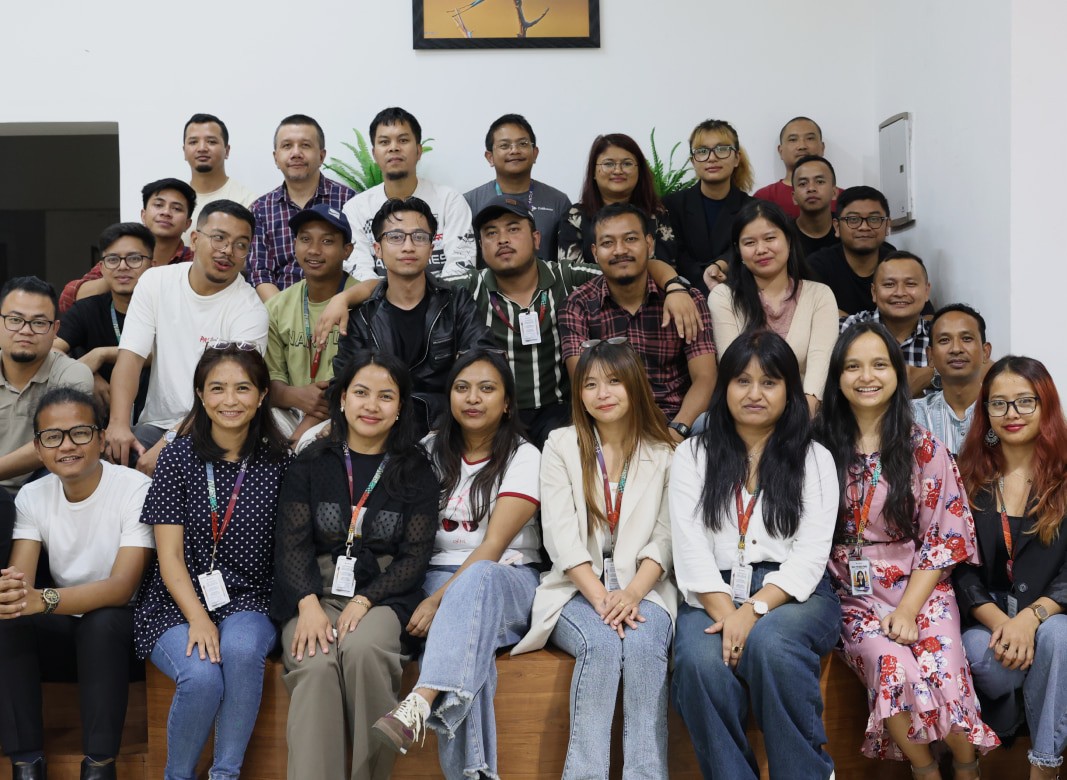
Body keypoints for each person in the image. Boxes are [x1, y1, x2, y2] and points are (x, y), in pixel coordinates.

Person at [815, 322, 998, 778]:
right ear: (837, 376)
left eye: (879, 364)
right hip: (852, 594)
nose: (866, 376)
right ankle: (925, 771)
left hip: (922, 586)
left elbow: (944, 537)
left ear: (897, 373)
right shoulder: (817, 448)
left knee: (943, 669)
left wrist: (909, 610)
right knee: (892, 666)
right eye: (853, 366)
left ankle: (965, 763)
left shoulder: (923, 447)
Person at [669, 331, 840, 780]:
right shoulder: (692, 454)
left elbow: (809, 556)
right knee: (700, 663)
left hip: (792, 593)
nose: (755, 394)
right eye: (742, 381)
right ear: (724, 388)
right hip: (712, 592)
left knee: (773, 645)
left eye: (769, 382)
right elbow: (688, 547)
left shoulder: (815, 458)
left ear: (790, 391)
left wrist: (754, 611)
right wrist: (729, 613)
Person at [372, 349, 541, 778]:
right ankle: (475, 773)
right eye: (462, 388)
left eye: (487, 389)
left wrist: (434, 604)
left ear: (506, 402)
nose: (473, 398)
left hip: (508, 578)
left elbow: (494, 545)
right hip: (434, 575)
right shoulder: (428, 450)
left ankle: (423, 698)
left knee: (477, 582)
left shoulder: (525, 456)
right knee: (471, 649)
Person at [513, 340, 677, 779]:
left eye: (614, 381)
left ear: (635, 386)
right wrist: (605, 598)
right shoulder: (561, 444)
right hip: (576, 590)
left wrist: (632, 593)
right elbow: (561, 536)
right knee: (601, 646)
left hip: (646, 590)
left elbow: (664, 537)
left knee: (644, 647)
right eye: (590, 384)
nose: (602, 392)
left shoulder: (665, 453)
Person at [271, 350, 437, 780]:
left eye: (386, 396)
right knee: (316, 662)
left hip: (384, 595)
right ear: (342, 399)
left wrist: (366, 599)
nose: (372, 405)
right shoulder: (310, 460)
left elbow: (415, 557)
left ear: (400, 407)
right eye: (361, 393)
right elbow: (291, 543)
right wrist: (306, 603)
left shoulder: (416, 469)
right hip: (314, 591)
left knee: (363, 651)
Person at [133, 343, 290, 780]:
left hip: (250, 600)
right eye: (217, 388)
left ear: (261, 396)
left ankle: (225, 774)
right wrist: (199, 618)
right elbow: (169, 558)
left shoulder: (280, 463)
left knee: (241, 649)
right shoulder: (177, 459)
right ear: (201, 396)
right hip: (175, 601)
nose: (230, 400)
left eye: (243, 388)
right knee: (201, 678)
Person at [0, 388, 154, 780]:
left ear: (102, 439)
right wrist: (13, 597)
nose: (66, 445)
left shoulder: (133, 487)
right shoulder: (33, 496)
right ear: (38, 448)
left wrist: (43, 599)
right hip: (67, 621)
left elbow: (122, 586)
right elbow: (21, 583)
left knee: (101, 624)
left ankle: (100, 766)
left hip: (125, 626)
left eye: (80, 433)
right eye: (52, 437)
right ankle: (26, 763)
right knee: (9, 621)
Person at [955, 356, 1067, 780]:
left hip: (1049, 615)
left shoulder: (1065, 474)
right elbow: (958, 567)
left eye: (1025, 402)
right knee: (980, 661)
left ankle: (1045, 767)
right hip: (988, 618)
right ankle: (1022, 704)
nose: (1012, 414)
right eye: (998, 404)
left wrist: (1032, 618)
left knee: (1058, 638)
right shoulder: (964, 475)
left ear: (1045, 406)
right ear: (985, 413)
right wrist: (1005, 622)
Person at [104, 199, 268, 475]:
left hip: (219, 426)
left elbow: (231, 393)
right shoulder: (156, 282)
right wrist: (118, 424)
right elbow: (130, 359)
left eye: (241, 244)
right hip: (156, 425)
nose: (228, 250)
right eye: (219, 238)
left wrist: (169, 444)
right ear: (194, 238)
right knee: (110, 465)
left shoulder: (250, 310)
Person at [333, 197, 495, 437]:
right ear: (377, 249)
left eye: (419, 237)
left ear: (431, 248)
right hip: (379, 427)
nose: (408, 247)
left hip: (444, 428)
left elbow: (482, 362)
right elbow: (343, 383)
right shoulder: (362, 315)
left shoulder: (455, 302)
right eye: (395, 237)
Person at [559, 203, 716, 440]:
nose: (620, 250)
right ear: (594, 251)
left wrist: (678, 430)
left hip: (677, 422)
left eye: (630, 239)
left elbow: (705, 377)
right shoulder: (578, 304)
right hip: (610, 424)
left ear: (649, 244)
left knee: (711, 424)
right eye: (607, 243)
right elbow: (584, 381)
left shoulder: (687, 299)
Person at [707, 201, 839, 416]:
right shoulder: (723, 297)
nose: (761, 250)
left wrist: (800, 420)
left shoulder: (819, 295)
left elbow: (818, 369)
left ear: (788, 240)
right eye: (749, 242)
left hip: (807, 414)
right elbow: (735, 368)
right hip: (747, 412)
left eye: (770, 238)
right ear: (738, 250)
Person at [344, 107, 475, 280]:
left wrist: (436, 302)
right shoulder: (356, 209)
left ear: (419, 151)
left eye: (403, 140)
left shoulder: (449, 201)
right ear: (375, 154)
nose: (394, 148)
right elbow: (358, 271)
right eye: (384, 142)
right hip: (377, 304)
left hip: (444, 303)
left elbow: (462, 265)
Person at [266, 204, 358, 442]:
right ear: (294, 244)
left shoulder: (361, 301)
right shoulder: (278, 306)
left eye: (327, 241)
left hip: (341, 413)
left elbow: (344, 386)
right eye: (305, 239)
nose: (314, 250)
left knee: (312, 447)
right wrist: (295, 396)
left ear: (347, 250)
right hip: (290, 406)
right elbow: (268, 378)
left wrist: (298, 437)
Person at [0, 276, 93, 494]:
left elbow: (57, 440)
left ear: (55, 329)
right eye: (15, 320)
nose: (25, 330)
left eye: (39, 322)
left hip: (48, 491)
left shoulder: (72, 374)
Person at [248, 114, 355, 301]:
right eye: (287, 146)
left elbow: (356, 266)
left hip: (340, 310)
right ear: (276, 157)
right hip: (280, 313)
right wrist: (286, 316)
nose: (296, 153)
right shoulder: (260, 209)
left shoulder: (349, 201)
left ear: (321, 156)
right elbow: (261, 273)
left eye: (305, 145)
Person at [55, 222, 155, 420]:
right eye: (113, 259)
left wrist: (103, 354)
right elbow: (51, 352)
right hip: (101, 423)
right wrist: (88, 375)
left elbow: (170, 351)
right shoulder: (86, 309)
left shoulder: (169, 308)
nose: (123, 266)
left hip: (159, 421)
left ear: (152, 265)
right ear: (101, 267)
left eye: (134, 258)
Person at [60, 179, 198, 313]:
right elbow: (67, 300)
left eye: (176, 208)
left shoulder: (195, 261)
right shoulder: (121, 258)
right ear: (143, 215)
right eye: (158, 205)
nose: (166, 212)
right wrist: (123, 275)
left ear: (187, 223)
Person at [464, 113, 571, 264]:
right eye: (504, 145)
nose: (514, 150)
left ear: (535, 153)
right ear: (490, 157)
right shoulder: (469, 203)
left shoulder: (558, 202)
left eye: (523, 144)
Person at [664, 119, 755, 295]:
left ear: (736, 158)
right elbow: (674, 254)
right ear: (693, 161)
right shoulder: (671, 206)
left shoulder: (753, 209)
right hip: (685, 298)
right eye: (702, 151)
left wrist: (720, 265)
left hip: (740, 298)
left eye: (722, 149)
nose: (712, 158)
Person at [558, 133, 676, 266]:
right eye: (608, 164)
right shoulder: (574, 217)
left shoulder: (657, 213)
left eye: (627, 164)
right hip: (589, 287)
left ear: (639, 171)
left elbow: (666, 268)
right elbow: (570, 275)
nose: (618, 170)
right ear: (593, 172)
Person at [841, 251, 935, 396]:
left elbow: (979, 368)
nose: (899, 292)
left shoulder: (939, 335)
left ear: (926, 290)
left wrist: (933, 375)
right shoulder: (848, 329)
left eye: (910, 284)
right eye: (889, 284)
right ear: (874, 292)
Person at [805, 186, 897, 318]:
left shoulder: (899, 265)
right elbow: (813, 313)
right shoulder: (817, 266)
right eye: (853, 220)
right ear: (836, 226)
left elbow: (926, 315)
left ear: (887, 225)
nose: (864, 227)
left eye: (874, 219)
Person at [912, 304, 992, 455]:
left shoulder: (1004, 412)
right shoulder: (912, 415)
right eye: (944, 340)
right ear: (930, 355)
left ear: (986, 352)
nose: (956, 349)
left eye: (967, 339)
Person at [181, 113, 257, 243]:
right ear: (184, 151)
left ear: (227, 151)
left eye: (211, 142)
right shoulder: (174, 201)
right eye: (193, 142)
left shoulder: (247, 202)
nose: (202, 148)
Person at [753, 117, 843, 219]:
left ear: (822, 147)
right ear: (780, 151)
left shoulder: (844, 198)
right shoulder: (764, 197)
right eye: (793, 140)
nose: (802, 146)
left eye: (810, 138)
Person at [791, 155, 841, 258]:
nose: (811, 188)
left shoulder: (847, 229)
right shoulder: (784, 234)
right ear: (794, 197)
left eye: (820, 182)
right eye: (803, 183)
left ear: (834, 192)